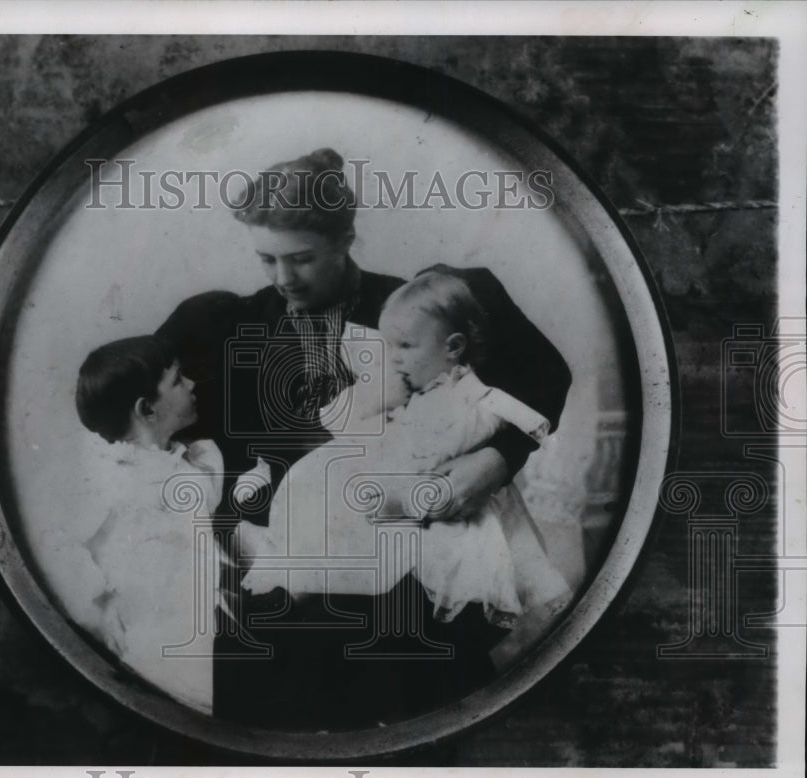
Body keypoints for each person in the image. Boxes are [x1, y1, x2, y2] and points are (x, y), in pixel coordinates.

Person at [155, 147, 572, 729]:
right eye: (266, 258)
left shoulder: (411, 310)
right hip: (280, 570)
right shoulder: (225, 324)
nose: (282, 278)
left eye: (301, 258)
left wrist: (499, 460)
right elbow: (138, 408)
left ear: (347, 237)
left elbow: (539, 374)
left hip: (402, 567)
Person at [237, 269, 573, 633]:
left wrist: (401, 498)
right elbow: (339, 420)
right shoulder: (417, 389)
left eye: (405, 347)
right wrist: (373, 402)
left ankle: (292, 585)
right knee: (318, 493)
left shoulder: (469, 401)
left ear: (453, 347)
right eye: (389, 346)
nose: (394, 359)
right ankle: (285, 579)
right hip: (391, 492)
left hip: (428, 504)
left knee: (364, 538)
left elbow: (442, 459)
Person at [56, 335, 222, 715]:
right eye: (179, 380)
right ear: (147, 409)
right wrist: (103, 604)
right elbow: (74, 553)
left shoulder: (189, 464)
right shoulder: (117, 484)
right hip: (159, 639)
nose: (192, 384)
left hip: (200, 617)